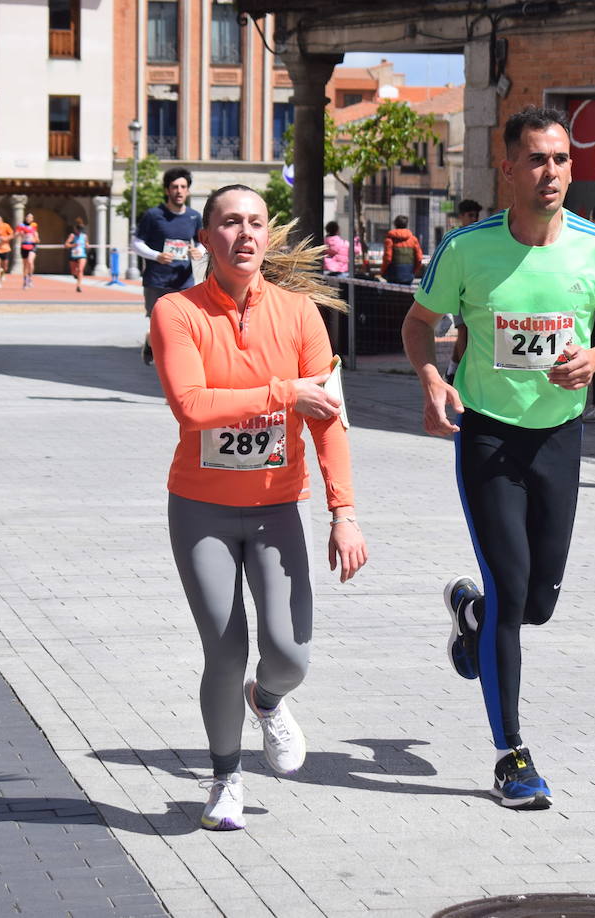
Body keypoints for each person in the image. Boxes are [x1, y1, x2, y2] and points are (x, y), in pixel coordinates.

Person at [401, 105, 595, 809]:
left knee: (537, 604)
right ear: (507, 168)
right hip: (488, 437)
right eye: (537, 159)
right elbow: (421, 325)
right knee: (512, 594)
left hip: (560, 438)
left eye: (562, 159)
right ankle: (512, 756)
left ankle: (471, 617)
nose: (552, 172)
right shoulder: (468, 249)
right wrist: (429, 378)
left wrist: (594, 358)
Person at [151, 184, 367, 831]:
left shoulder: (300, 315)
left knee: (290, 656)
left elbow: (328, 420)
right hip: (201, 510)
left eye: (254, 222)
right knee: (224, 652)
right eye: (227, 223)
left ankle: (267, 702)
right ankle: (225, 779)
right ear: (206, 237)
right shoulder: (176, 312)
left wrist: (344, 511)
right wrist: (284, 393)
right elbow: (192, 405)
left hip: (277, 510)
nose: (242, 233)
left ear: (268, 235)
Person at [134, 166, 203, 365]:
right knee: (159, 325)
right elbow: (136, 243)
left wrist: (199, 252)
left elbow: (202, 242)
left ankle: (173, 366)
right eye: (174, 187)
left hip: (184, 281)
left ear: (188, 190)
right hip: (156, 280)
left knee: (181, 326)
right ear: (167, 190)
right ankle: (150, 340)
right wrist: (157, 256)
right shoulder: (153, 215)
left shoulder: (193, 217)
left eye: (183, 186)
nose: (179, 191)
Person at [445, 200, 483, 384]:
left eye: (476, 215)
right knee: (463, 330)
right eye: (470, 215)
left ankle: (451, 371)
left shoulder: (481, 235)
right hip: (459, 289)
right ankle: (464, 374)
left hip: (475, 290)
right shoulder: (454, 237)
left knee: (466, 331)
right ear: (461, 217)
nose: (474, 219)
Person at [381, 215, 423, 286]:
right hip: (408, 276)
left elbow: (387, 258)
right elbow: (419, 259)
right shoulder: (413, 239)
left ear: (395, 224)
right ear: (406, 224)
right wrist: (413, 272)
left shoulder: (390, 240)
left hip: (392, 276)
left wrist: (383, 271)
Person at [16, 214, 40, 288]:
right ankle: (25, 280)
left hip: (32, 246)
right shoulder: (21, 226)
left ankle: (30, 278)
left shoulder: (34, 226)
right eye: (28, 217)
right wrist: (20, 234)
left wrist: (35, 239)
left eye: (31, 217)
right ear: (25, 218)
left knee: (30, 261)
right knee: (25, 264)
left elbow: (38, 239)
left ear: (32, 219)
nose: (29, 218)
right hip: (24, 246)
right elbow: (16, 234)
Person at [65, 218, 88, 292]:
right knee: (74, 272)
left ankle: (79, 286)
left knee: (80, 270)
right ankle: (75, 274)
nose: (79, 232)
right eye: (78, 230)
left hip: (82, 255)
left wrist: (87, 245)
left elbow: (87, 244)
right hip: (74, 255)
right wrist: (73, 245)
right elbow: (66, 245)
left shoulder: (84, 236)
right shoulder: (72, 236)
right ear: (75, 229)